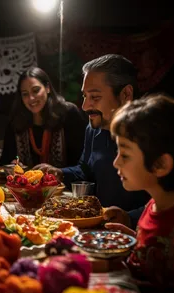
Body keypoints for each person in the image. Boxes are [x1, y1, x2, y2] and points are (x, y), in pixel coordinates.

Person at [34, 54, 149, 227]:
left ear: (126, 94)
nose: (85, 106)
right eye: (84, 96)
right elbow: (85, 169)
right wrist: (60, 173)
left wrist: (129, 218)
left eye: (95, 97)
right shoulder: (93, 130)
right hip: (98, 230)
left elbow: (170, 198)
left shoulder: (152, 135)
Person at [110, 94, 174, 293]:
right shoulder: (154, 204)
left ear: (160, 164)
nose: (116, 162)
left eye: (125, 154)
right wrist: (129, 244)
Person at [0, 66, 87, 168]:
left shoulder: (68, 113)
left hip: (66, 183)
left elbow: (83, 162)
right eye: (25, 94)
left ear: (47, 88)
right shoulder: (16, 121)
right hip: (26, 184)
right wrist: (11, 166)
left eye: (36, 90)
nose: (31, 98)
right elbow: (4, 163)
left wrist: (59, 173)